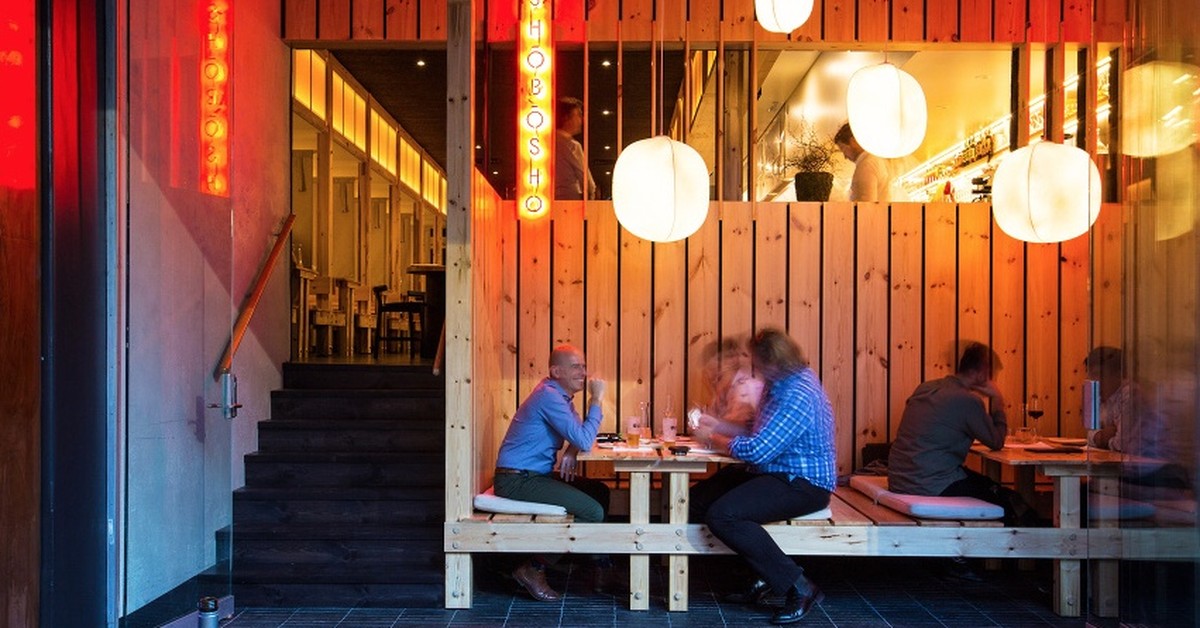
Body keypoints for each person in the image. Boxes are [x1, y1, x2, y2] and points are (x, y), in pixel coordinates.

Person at [691, 328, 836, 625]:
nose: (753, 369)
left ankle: (799, 586)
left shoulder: (798, 394)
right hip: (776, 472)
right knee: (698, 500)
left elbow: (758, 450)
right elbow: (757, 431)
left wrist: (713, 439)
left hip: (803, 483)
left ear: (773, 362)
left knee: (724, 515)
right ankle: (761, 577)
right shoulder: (778, 383)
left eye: (757, 363)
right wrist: (717, 425)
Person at [494, 344, 610, 601]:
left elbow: (579, 435)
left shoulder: (561, 398)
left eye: (584, 366)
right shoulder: (548, 396)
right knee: (593, 512)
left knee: (599, 491)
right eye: (576, 367)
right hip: (516, 479)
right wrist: (596, 400)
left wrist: (571, 450)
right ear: (556, 371)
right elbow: (584, 437)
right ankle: (534, 567)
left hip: (532, 476)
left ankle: (596, 564)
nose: (584, 372)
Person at [887, 342, 1032, 526]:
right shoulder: (967, 400)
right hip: (931, 485)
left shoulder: (925, 388)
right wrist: (997, 400)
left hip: (900, 480)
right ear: (982, 372)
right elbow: (996, 441)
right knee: (1007, 503)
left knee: (986, 483)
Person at [834, 122, 891, 202]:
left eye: (843, 149)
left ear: (853, 141)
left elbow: (866, 204)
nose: (845, 156)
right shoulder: (875, 159)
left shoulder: (867, 164)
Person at [555, 97, 597, 200]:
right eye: (578, 115)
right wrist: (591, 195)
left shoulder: (545, 143)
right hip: (570, 199)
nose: (581, 120)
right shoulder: (571, 145)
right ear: (566, 117)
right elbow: (586, 180)